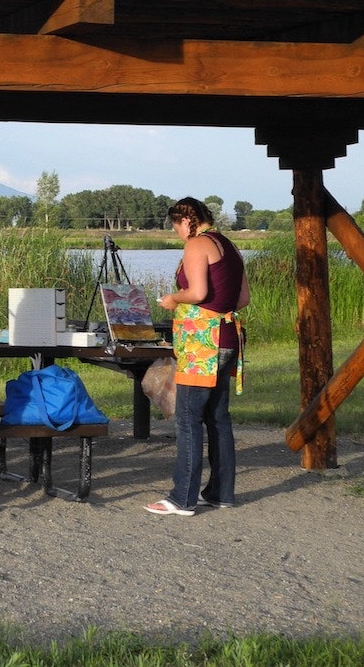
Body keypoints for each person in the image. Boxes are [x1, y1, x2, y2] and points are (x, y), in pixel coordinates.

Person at [145, 197, 249, 517]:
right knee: (218, 417)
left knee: (188, 418)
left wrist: (172, 298)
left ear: (186, 219)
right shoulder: (229, 245)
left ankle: (183, 498)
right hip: (229, 337)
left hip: (203, 342)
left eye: (176, 225)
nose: (177, 232)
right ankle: (221, 492)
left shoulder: (197, 244)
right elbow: (243, 298)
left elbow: (198, 293)